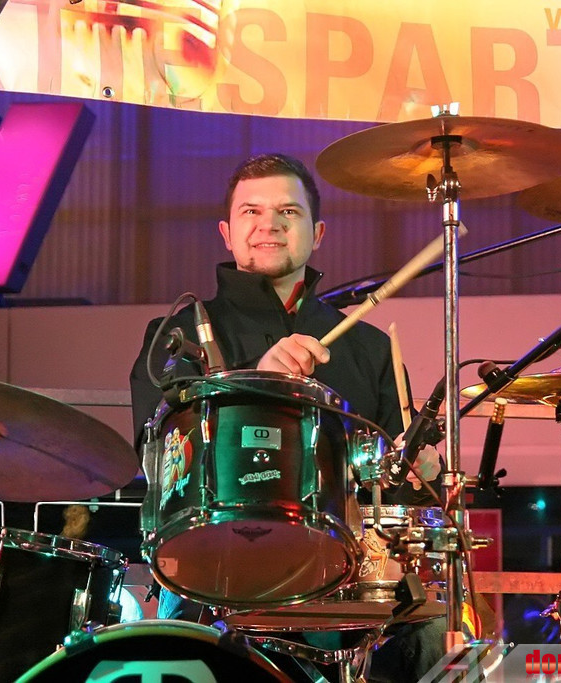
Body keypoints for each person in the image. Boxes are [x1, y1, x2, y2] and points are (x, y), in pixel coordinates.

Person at [129, 153, 445, 682]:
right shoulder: (177, 335)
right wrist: (258, 379)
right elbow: (155, 457)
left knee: (429, 632)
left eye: (288, 212)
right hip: (212, 574)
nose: (269, 224)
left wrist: (417, 472)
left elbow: (395, 480)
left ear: (317, 233)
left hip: (341, 581)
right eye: (251, 212)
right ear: (227, 233)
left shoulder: (369, 349)